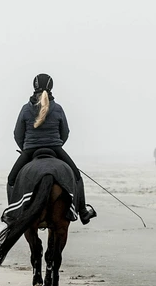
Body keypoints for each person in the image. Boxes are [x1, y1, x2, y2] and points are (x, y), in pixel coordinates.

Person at [8, 73, 97, 225]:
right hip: (55, 148)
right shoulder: (57, 108)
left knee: (11, 179)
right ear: (51, 87)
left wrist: (25, 149)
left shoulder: (25, 109)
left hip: (30, 149)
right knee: (76, 176)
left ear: (34, 86)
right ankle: (82, 211)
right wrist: (57, 145)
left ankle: (11, 215)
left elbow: (17, 134)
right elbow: (65, 132)